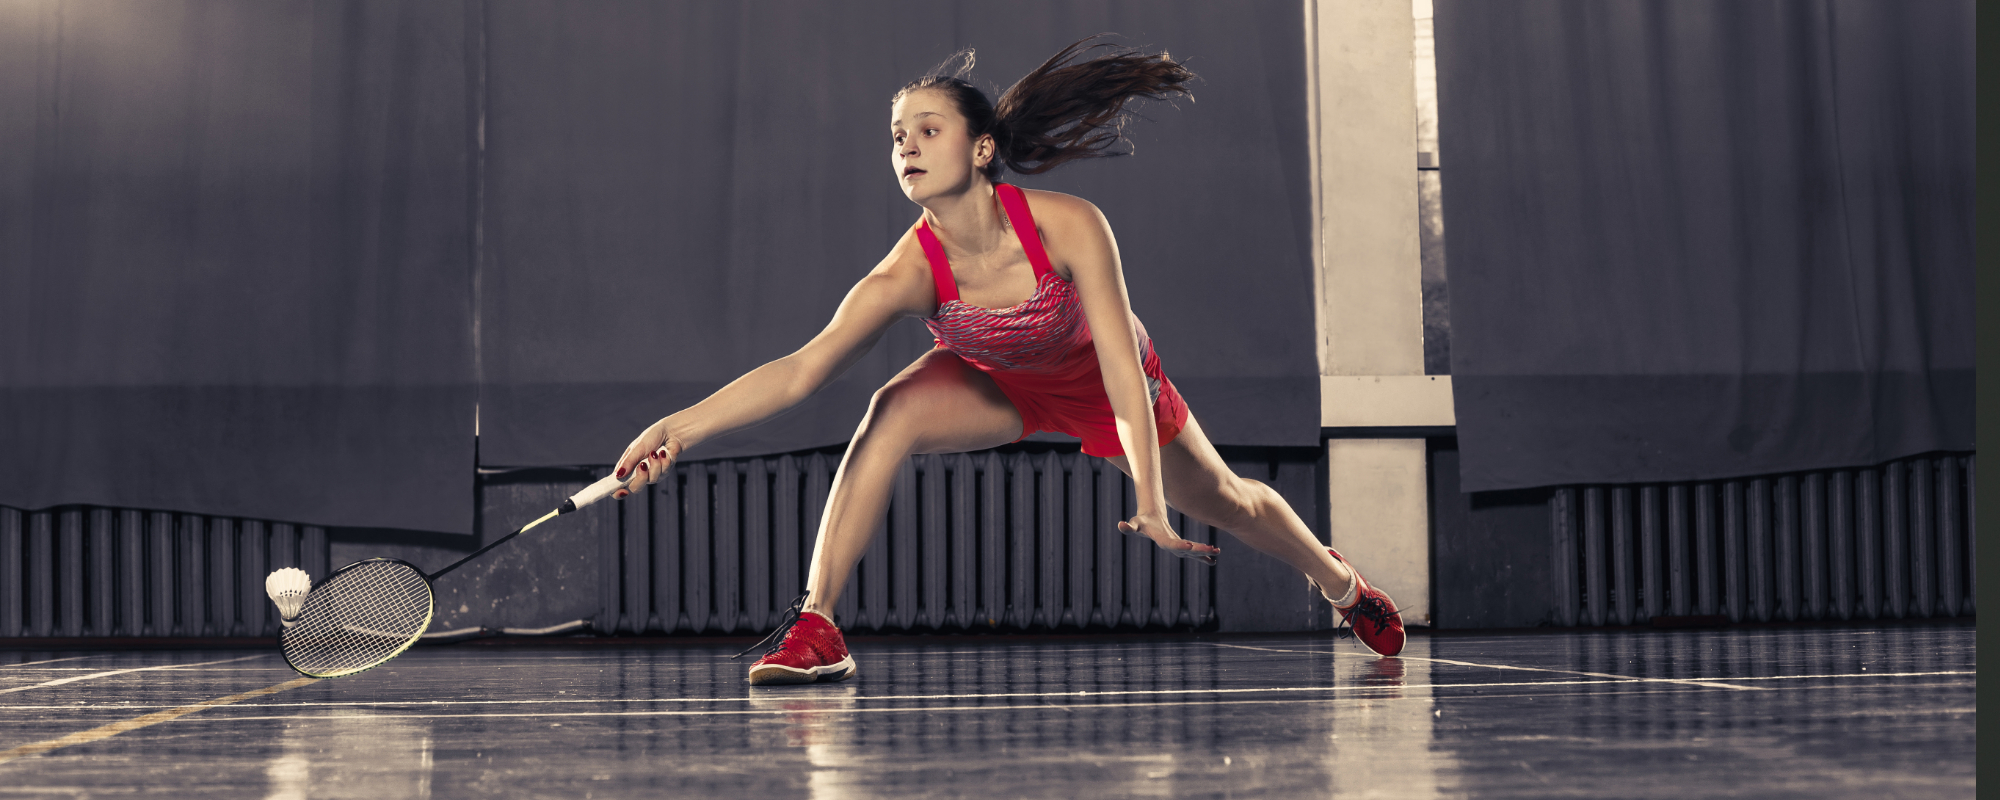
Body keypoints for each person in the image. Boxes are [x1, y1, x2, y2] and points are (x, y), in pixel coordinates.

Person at [609, 38, 1404, 685]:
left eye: (927, 130)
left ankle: (1339, 584)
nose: (907, 147)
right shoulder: (907, 273)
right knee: (889, 409)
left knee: (1226, 498)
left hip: (1103, 382)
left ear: (982, 148)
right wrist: (677, 428)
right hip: (998, 386)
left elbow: (1123, 373)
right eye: (897, 137)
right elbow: (802, 368)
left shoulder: (1069, 226)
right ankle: (818, 623)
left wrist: (1153, 500)